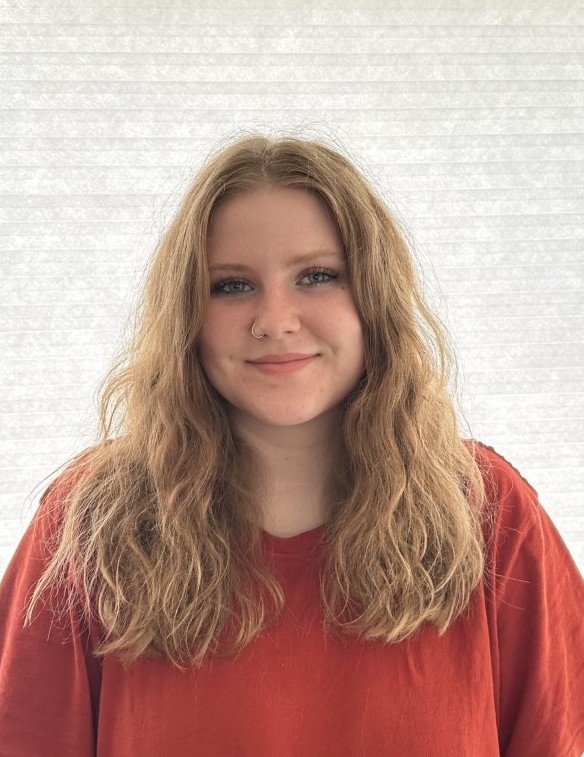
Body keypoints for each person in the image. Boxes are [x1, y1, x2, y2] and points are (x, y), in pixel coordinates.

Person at [0, 134, 583, 757]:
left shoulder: (490, 514)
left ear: (374, 298)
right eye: (231, 285)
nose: (276, 319)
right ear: (185, 317)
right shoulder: (90, 523)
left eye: (317, 276)